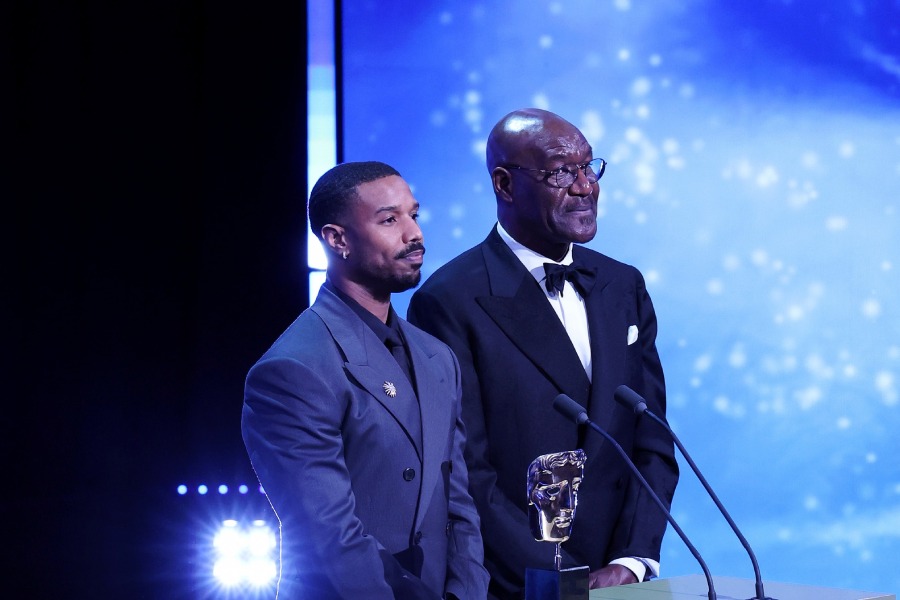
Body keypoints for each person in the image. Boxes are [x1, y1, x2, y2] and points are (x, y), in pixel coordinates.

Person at [407, 108, 679, 599]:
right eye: (560, 172)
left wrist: (633, 559)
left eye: (589, 167)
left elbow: (651, 438)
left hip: (620, 582)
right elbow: (468, 470)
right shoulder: (448, 300)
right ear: (505, 185)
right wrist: (558, 578)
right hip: (519, 583)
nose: (584, 187)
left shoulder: (623, 285)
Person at [242, 161, 490, 600]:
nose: (414, 233)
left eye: (414, 214)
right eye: (390, 219)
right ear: (337, 239)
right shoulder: (293, 369)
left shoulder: (437, 357)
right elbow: (329, 538)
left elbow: (458, 508)